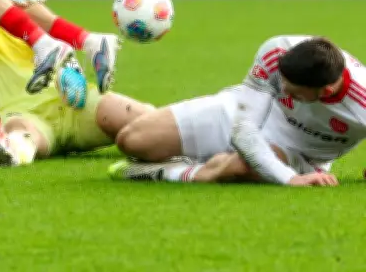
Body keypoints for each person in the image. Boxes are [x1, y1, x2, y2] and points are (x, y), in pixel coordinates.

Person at [0, 0, 153, 166]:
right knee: (21, 134)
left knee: (138, 117)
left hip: (73, 104)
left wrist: (80, 55)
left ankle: (179, 132)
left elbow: (52, 29)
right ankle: (5, 148)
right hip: (22, 111)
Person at [109, 36, 366, 186]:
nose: (282, 90)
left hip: (298, 152)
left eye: (294, 92)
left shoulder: (361, 101)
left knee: (242, 166)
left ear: (327, 91)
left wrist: (291, 175)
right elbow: (244, 130)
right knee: (132, 140)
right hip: (247, 113)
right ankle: (203, 158)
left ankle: (175, 172)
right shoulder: (277, 51)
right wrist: (290, 180)